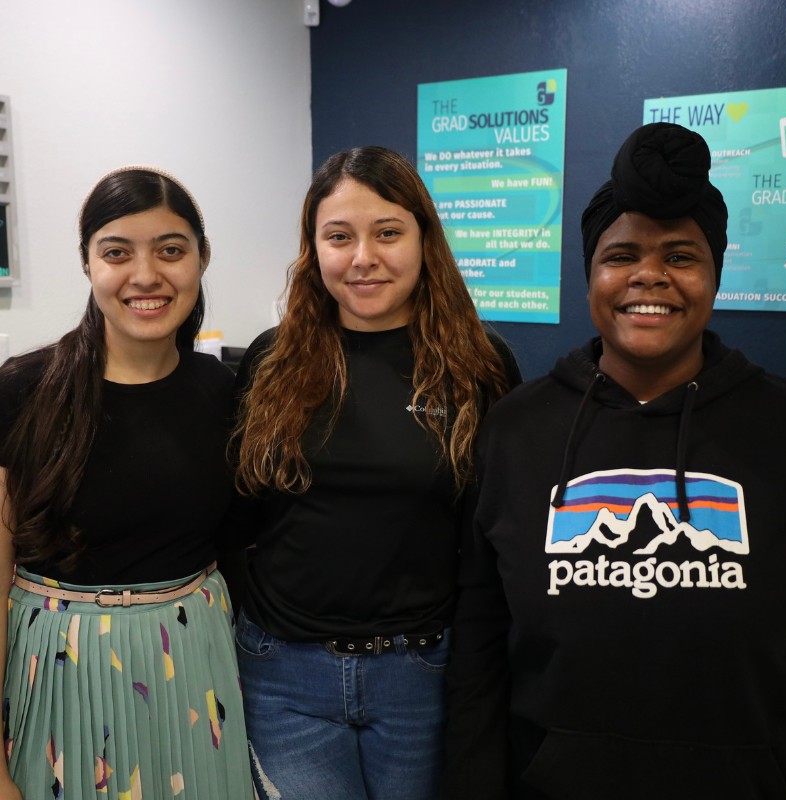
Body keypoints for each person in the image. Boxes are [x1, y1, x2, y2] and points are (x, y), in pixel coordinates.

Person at [443, 122, 786, 799]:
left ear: (714, 276)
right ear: (590, 277)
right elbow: (481, 644)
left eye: (681, 256)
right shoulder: (516, 430)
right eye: (622, 255)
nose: (649, 276)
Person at [231, 145, 521, 800]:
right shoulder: (271, 362)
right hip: (284, 677)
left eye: (387, 232)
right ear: (314, 249)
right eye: (339, 237)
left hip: (420, 674)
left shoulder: (479, 363)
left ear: (424, 239)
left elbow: (489, 534)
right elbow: (241, 514)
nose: (363, 257)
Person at [0, 167, 251, 799]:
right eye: (117, 252)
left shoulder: (227, 391)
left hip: (196, 668)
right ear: (88, 264)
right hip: (59, 673)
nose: (145, 275)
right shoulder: (24, 390)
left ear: (201, 259)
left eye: (171, 250)